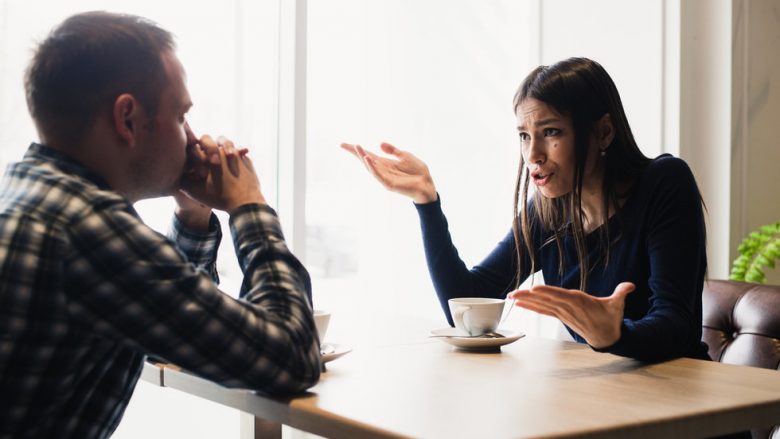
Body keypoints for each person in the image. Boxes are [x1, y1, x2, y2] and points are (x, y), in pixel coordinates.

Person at [0, 11, 320, 438]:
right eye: (180, 114)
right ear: (128, 118)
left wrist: (192, 215)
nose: (191, 137)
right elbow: (291, 357)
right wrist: (249, 206)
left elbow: (163, 325)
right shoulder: (87, 229)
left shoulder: (29, 191)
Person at [342, 57, 710, 363]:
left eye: (551, 132)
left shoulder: (665, 182)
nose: (533, 154)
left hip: (688, 407)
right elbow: (468, 300)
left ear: (604, 132)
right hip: (607, 401)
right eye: (523, 135)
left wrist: (614, 334)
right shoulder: (548, 211)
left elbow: (674, 326)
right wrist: (427, 202)